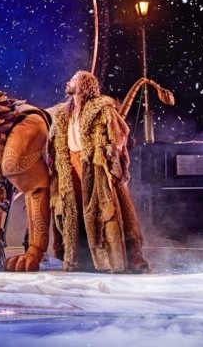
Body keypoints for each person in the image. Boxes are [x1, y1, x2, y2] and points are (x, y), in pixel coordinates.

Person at [49, 71, 150, 273]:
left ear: (84, 84)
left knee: (105, 213)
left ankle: (115, 261)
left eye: (74, 79)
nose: (69, 81)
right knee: (75, 214)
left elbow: (118, 135)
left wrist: (110, 160)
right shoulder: (62, 113)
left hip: (96, 166)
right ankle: (82, 260)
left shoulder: (102, 109)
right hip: (71, 167)